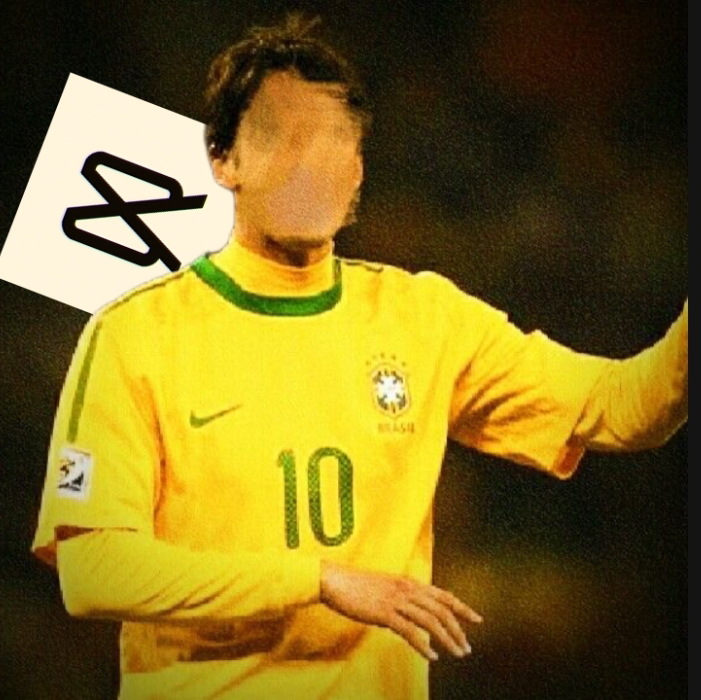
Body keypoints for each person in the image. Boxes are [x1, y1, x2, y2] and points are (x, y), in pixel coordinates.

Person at [31, 13, 688, 700]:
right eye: (282, 138)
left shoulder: (423, 319)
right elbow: (93, 570)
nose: (310, 165)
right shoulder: (137, 333)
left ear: (357, 172)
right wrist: (316, 580)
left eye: (335, 142)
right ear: (224, 161)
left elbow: (626, 407)